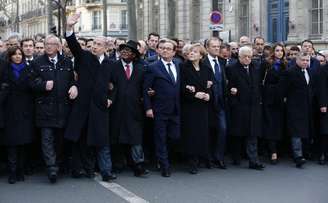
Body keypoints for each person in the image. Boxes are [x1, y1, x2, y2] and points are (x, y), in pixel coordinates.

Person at [64, 12, 115, 181]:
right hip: (82, 105)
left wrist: (110, 98)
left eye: (99, 44)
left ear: (106, 48)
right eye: (93, 43)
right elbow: (73, 44)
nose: (94, 46)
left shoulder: (110, 64)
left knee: (98, 139)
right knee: (80, 138)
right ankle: (78, 169)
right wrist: (70, 27)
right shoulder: (84, 57)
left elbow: (115, 85)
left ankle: (101, 170)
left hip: (99, 107)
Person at [30, 34, 77, 183]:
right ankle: (51, 168)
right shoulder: (37, 62)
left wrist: (74, 86)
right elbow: (30, 82)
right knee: (47, 140)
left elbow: (71, 80)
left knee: (60, 140)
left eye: (51, 44)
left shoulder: (67, 62)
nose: (48, 46)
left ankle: (58, 164)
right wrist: (43, 85)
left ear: (58, 47)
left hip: (63, 108)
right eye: (46, 44)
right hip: (45, 109)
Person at [106, 40, 149, 177]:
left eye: (129, 50)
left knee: (136, 139)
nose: (125, 52)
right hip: (116, 108)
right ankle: (118, 163)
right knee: (117, 137)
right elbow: (107, 84)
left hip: (135, 109)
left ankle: (138, 165)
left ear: (134, 55)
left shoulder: (141, 68)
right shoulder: (112, 66)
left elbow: (144, 89)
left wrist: (147, 104)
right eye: (123, 49)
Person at [143, 39, 181, 177]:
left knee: (174, 136)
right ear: (158, 50)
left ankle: (162, 158)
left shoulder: (178, 64)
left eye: (168, 48)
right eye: (162, 48)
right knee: (160, 138)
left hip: (175, 109)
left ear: (174, 52)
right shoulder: (152, 67)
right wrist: (148, 108)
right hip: (159, 109)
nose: (165, 50)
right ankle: (164, 165)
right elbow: (146, 89)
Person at [226, 46, 265, 170]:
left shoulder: (255, 67)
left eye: (250, 56)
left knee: (252, 134)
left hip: (253, 106)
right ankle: (236, 157)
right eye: (245, 57)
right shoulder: (231, 68)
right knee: (237, 134)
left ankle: (253, 161)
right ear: (239, 57)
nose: (248, 59)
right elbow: (228, 87)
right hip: (239, 106)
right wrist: (234, 101)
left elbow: (258, 86)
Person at [0, 46, 34, 184]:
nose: (18, 56)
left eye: (20, 54)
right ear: (10, 56)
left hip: (25, 111)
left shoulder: (28, 69)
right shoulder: (4, 70)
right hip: (9, 111)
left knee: (23, 144)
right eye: (15, 54)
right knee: (12, 144)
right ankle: (12, 172)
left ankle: (21, 170)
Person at [180, 43, 214, 174]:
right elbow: (181, 86)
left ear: (201, 55)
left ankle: (202, 157)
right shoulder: (183, 68)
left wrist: (208, 95)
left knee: (202, 132)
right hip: (190, 106)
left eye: (194, 52)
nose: (191, 53)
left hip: (203, 106)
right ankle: (192, 161)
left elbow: (210, 86)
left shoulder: (206, 69)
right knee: (191, 134)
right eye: (189, 52)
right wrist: (194, 94)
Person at [280, 51, 314, 168]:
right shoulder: (290, 72)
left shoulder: (309, 71)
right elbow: (283, 90)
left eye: (307, 60)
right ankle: (298, 157)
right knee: (296, 133)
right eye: (303, 60)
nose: (305, 62)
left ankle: (304, 153)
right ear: (297, 60)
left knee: (304, 132)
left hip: (307, 107)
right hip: (294, 108)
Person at [203, 37, 228, 169]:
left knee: (222, 129)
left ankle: (219, 157)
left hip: (221, 102)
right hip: (207, 103)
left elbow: (224, 81)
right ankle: (208, 158)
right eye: (214, 46)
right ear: (207, 48)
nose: (217, 49)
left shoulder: (223, 62)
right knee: (208, 131)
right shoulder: (202, 62)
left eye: (218, 46)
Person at [262, 43, 287, 164]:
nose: (280, 53)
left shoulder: (285, 65)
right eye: (277, 50)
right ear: (273, 52)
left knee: (279, 125)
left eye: (281, 51)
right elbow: (261, 81)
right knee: (270, 125)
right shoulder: (266, 64)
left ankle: (278, 150)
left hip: (281, 99)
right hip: (269, 98)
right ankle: (272, 152)